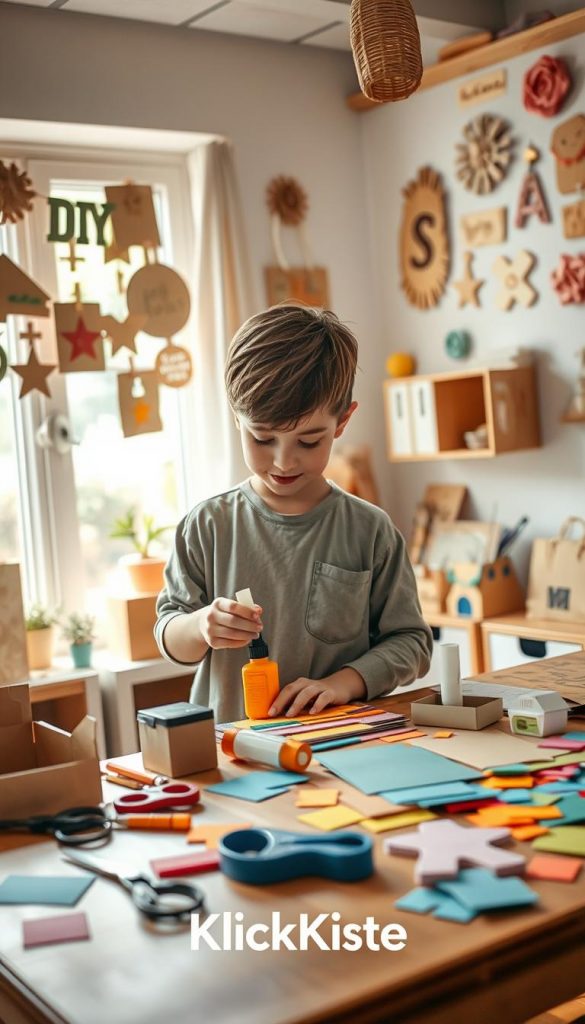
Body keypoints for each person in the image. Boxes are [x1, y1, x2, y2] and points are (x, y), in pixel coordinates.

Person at [155, 304, 432, 724]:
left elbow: (411, 642)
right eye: (263, 438)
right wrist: (199, 627)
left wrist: (344, 682)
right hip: (231, 750)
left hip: (341, 741)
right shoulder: (208, 526)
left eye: (309, 441)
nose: (284, 462)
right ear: (236, 418)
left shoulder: (370, 531)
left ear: (342, 422)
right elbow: (169, 634)